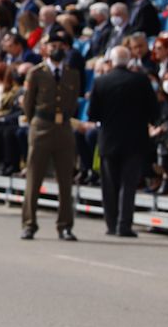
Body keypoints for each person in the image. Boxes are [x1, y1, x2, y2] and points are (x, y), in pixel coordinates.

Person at [89, 46, 158, 237]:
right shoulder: (141, 81)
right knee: (128, 185)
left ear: (110, 61)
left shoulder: (101, 81)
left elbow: (92, 113)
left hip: (109, 139)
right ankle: (124, 225)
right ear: (128, 61)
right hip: (135, 139)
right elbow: (153, 110)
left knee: (110, 184)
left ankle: (111, 224)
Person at [20, 26, 81, 241]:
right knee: (34, 177)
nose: (56, 49)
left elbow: (73, 103)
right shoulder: (36, 73)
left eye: (60, 46)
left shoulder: (72, 74)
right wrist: (33, 121)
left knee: (65, 180)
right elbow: (28, 103)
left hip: (63, 127)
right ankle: (29, 223)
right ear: (45, 48)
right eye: (52, 45)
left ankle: (65, 225)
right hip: (42, 125)